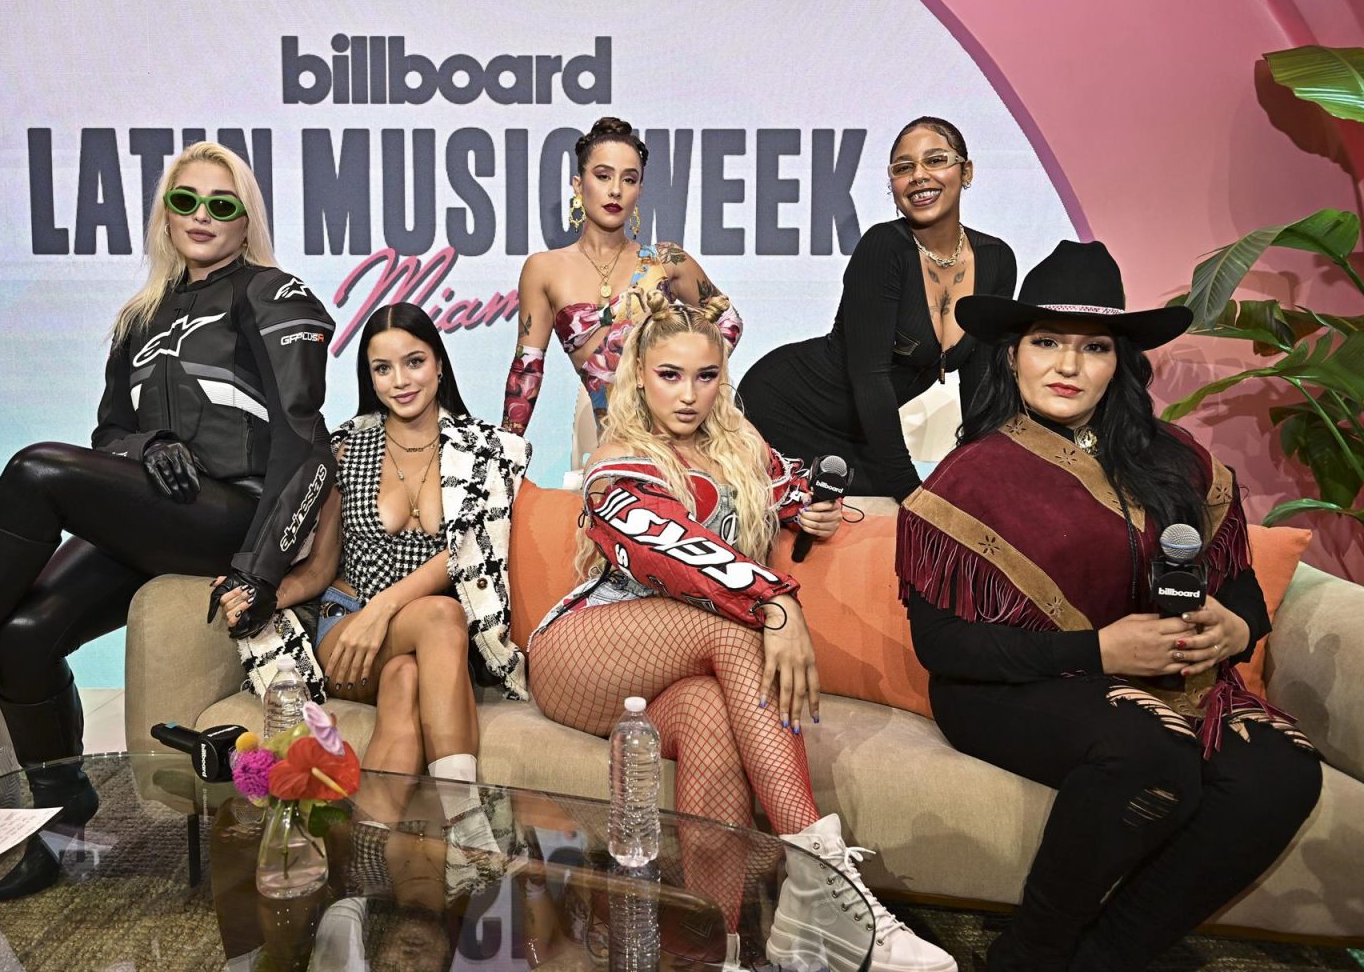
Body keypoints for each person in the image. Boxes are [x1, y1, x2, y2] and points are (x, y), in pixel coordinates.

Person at [0, 141, 336, 901]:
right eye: (185, 200)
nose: (202, 216)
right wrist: (149, 443)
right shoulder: (139, 316)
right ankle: (61, 825)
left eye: (221, 204)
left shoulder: (273, 293)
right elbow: (109, 436)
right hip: (160, 510)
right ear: (164, 214)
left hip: (232, 514)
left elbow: (305, 443)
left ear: (245, 220)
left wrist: (260, 569)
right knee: (26, 637)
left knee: (37, 469)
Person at [896, 241, 1321, 971]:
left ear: (1120, 361)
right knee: (1151, 754)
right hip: (1007, 690)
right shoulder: (969, 480)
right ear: (1011, 355)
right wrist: (1098, 653)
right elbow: (944, 647)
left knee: (1279, 770)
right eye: (1047, 343)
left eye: (1092, 347)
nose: (1067, 366)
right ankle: (1029, 954)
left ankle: (1106, 958)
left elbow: (1239, 580)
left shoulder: (1180, 459)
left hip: (1161, 685)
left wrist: (1236, 625)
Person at [527, 290, 957, 972]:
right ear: (639, 375)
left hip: (685, 676)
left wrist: (806, 513)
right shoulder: (619, 461)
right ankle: (824, 879)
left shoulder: (740, 448)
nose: (690, 395)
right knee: (738, 636)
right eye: (670, 375)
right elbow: (670, 548)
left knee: (710, 721)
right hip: (590, 647)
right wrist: (776, 604)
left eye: (706, 376)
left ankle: (716, 949)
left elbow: (786, 488)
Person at [218, 302, 530, 884]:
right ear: (369, 377)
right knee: (439, 616)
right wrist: (264, 594)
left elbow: (466, 550)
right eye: (382, 369)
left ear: (439, 364)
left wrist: (385, 609)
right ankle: (466, 823)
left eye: (413, 362)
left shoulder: (484, 449)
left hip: (416, 639)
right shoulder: (344, 450)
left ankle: (361, 873)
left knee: (408, 677)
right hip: (349, 630)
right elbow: (319, 568)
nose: (400, 380)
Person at [738, 116, 1016, 499]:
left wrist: (988, 478)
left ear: (965, 171)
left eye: (935, 160)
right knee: (886, 506)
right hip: (787, 409)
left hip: (864, 435)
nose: (918, 176)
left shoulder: (996, 260)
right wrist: (908, 493)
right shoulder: (884, 247)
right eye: (904, 168)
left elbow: (981, 384)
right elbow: (871, 377)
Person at [500, 116, 742, 439]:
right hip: (618, 448)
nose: (615, 190)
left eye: (629, 180)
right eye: (603, 176)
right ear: (577, 184)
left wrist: (692, 373)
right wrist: (503, 456)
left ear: (640, 190)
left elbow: (728, 318)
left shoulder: (667, 262)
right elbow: (527, 369)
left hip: (689, 441)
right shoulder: (544, 270)